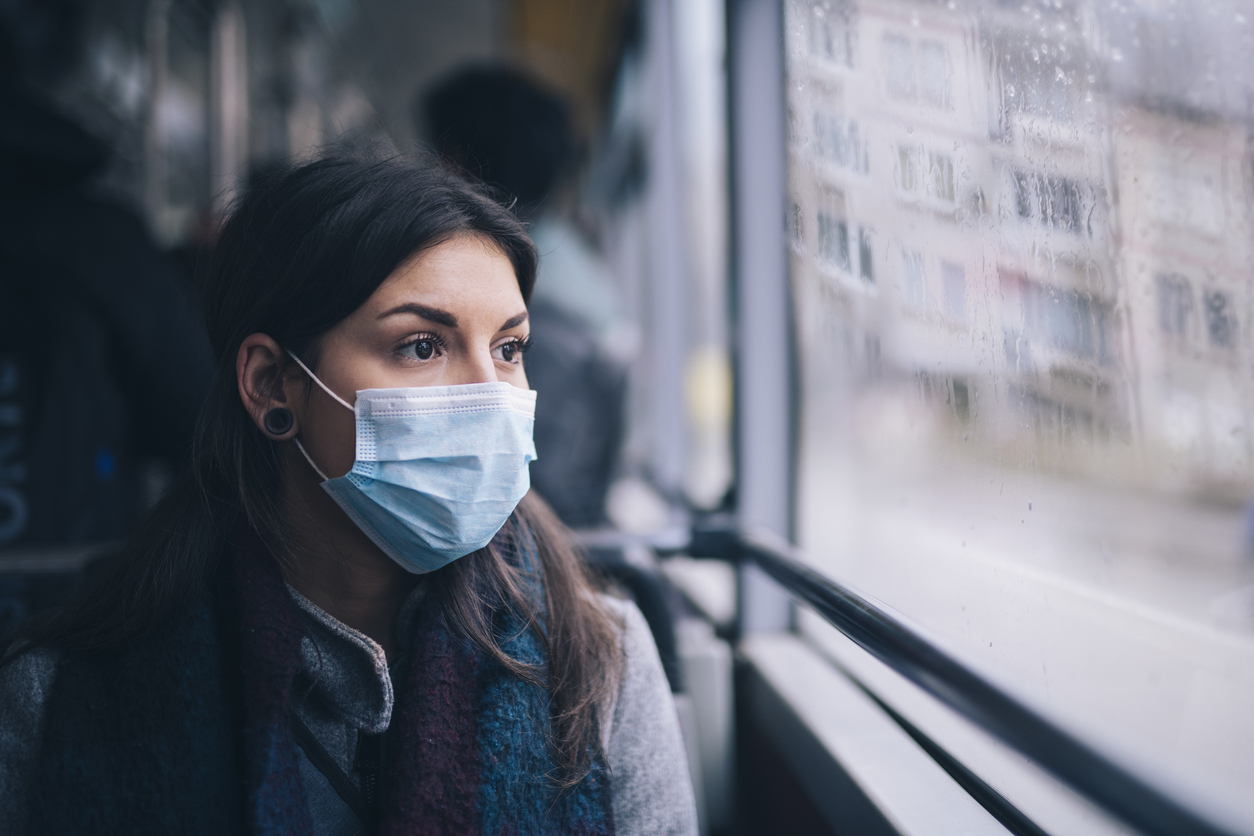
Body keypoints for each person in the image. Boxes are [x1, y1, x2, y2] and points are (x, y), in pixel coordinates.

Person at [0, 154, 697, 836]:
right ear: (272, 384)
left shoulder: (599, 664)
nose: (490, 394)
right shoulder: (57, 696)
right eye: (422, 346)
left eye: (509, 349)